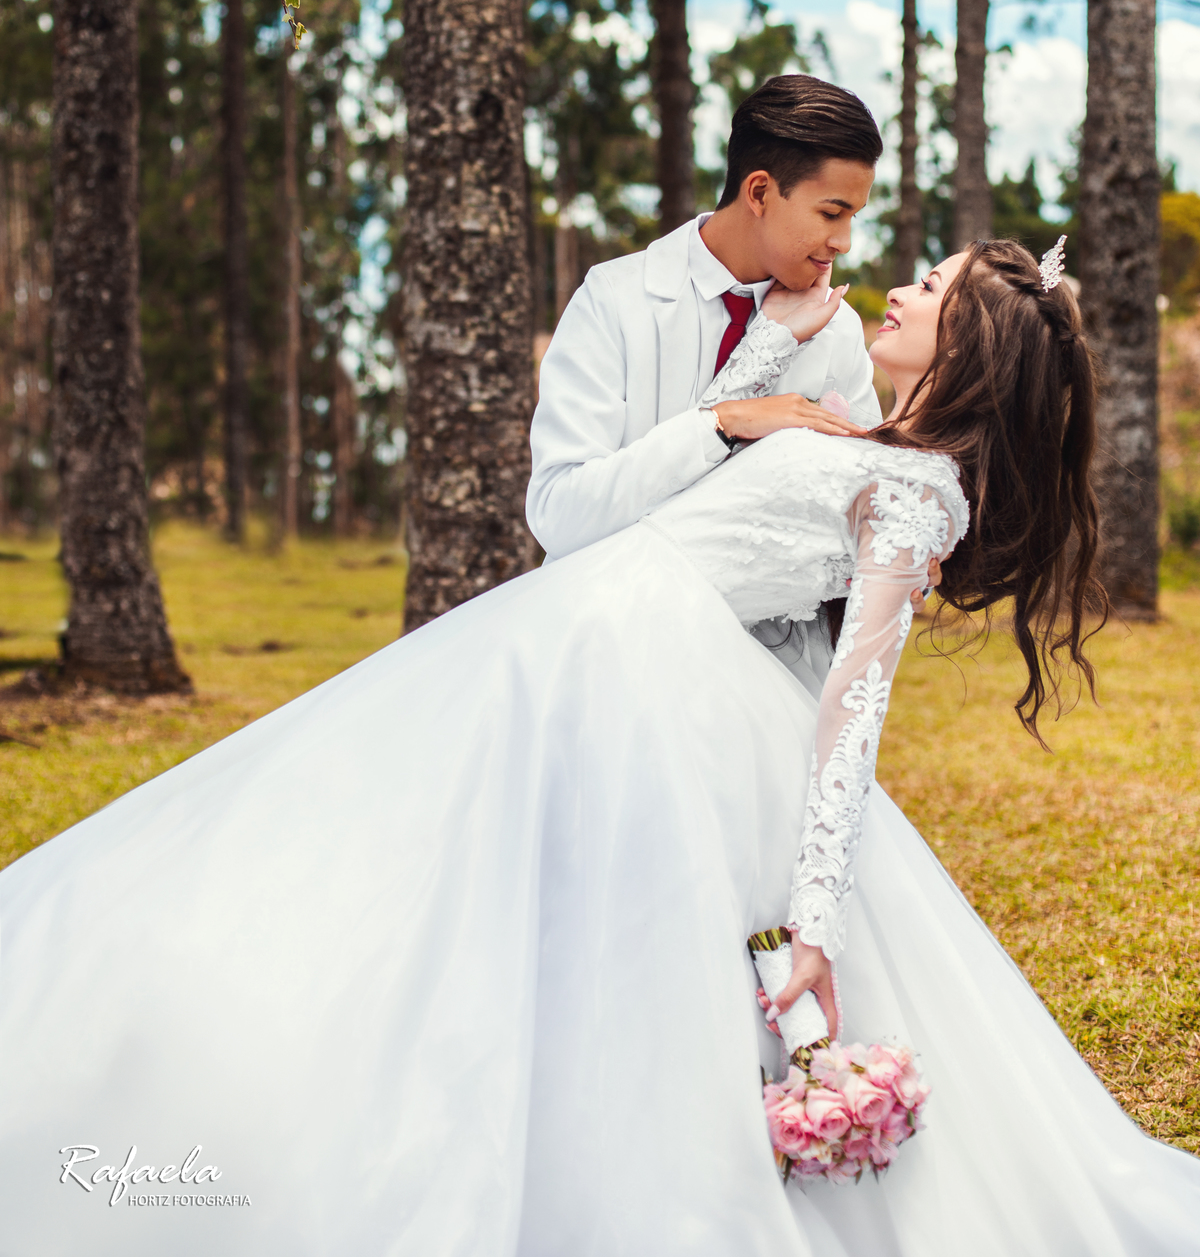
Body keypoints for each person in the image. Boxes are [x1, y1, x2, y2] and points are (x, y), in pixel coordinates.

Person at [2, 240, 1198, 1257]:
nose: (899, 287)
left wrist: (816, 916)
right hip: (573, 636)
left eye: (930, 286)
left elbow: (853, 698)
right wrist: (774, 346)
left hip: (644, 681)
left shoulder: (918, 490)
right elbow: (703, 474)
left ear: (971, 341)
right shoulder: (856, 433)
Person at [528, 72, 891, 691]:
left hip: (772, 686)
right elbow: (560, 514)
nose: (845, 243)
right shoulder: (615, 300)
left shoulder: (839, 331)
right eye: (831, 213)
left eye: (853, 216)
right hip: (613, 665)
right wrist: (720, 425)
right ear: (759, 191)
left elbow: (861, 520)